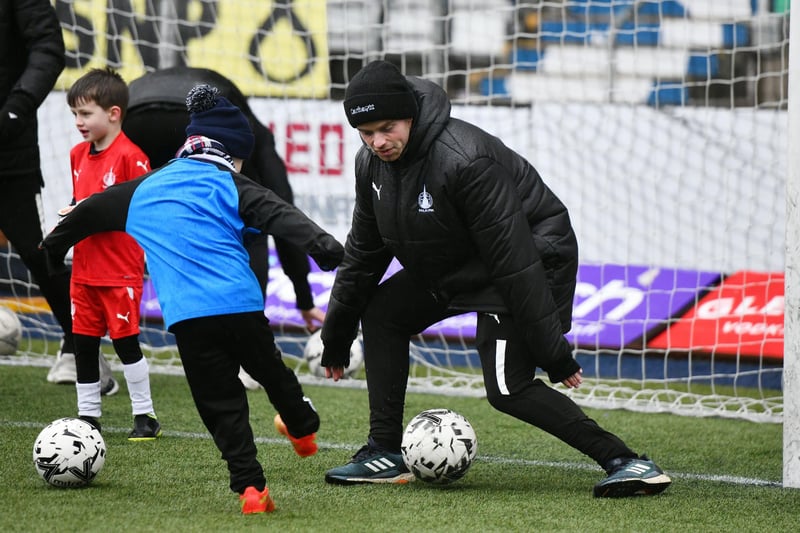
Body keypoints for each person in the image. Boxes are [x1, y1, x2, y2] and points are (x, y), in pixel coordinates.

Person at [319, 60, 672, 498]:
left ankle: (627, 461)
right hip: (457, 263)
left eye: (387, 128)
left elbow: (514, 260)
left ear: (409, 113)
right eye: (366, 133)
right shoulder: (370, 165)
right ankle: (385, 452)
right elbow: (363, 255)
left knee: (508, 387)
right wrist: (337, 336)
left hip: (532, 258)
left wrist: (553, 351)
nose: (377, 142)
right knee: (384, 314)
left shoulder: (466, 159)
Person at [40, 84, 344, 513]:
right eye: (239, 160)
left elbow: (88, 211)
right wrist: (328, 250)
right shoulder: (233, 184)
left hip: (187, 318)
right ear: (231, 153)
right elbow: (284, 216)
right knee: (272, 373)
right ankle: (303, 429)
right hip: (240, 305)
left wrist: (53, 251)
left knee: (221, 403)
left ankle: (251, 489)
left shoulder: (144, 189)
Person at [122, 66, 326, 389]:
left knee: (118, 208)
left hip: (130, 115)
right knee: (253, 225)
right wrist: (304, 297)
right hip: (152, 110)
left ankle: (77, 348)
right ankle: (246, 357)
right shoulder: (253, 139)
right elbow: (283, 214)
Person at [0, 0, 115, 390]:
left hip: (7, 150)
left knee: (38, 252)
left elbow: (48, 47)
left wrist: (17, 107)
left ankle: (80, 344)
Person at [63, 67, 160, 439]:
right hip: (84, 270)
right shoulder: (76, 155)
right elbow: (79, 202)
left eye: (85, 114)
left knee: (125, 342)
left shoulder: (131, 158)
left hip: (119, 271)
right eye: (74, 114)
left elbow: (132, 210)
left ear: (114, 113)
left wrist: (86, 208)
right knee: (83, 344)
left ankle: (145, 416)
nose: (78, 122)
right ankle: (88, 416)